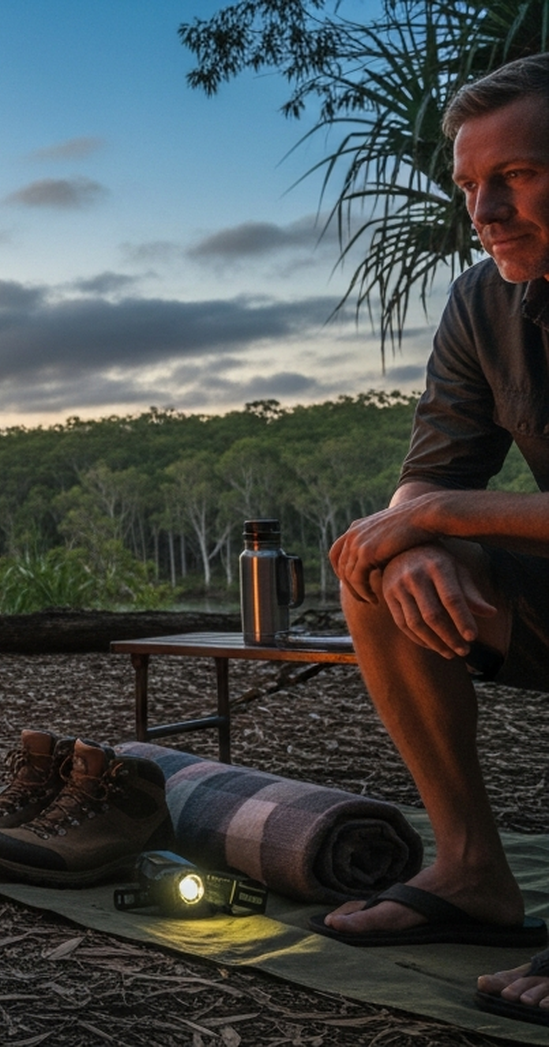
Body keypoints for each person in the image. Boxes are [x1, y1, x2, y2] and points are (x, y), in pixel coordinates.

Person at [317, 51, 549, 1023]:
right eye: (469, 185)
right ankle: (470, 870)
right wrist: (410, 538)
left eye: (518, 174)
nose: (485, 210)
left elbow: (438, 501)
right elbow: (430, 475)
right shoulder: (482, 300)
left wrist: (436, 516)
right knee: (376, 571)